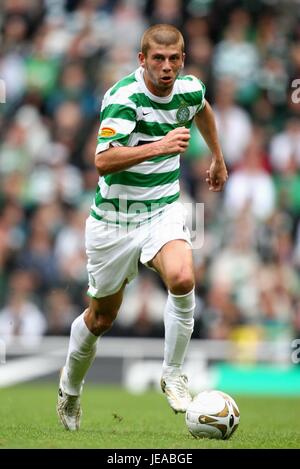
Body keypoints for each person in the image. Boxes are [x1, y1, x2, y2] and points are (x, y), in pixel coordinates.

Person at [56, 23, 228, 431]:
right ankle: (70, 389)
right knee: (101, 319)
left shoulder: (189, 88)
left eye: (173, 59)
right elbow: (102, 160)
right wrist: (161, 146)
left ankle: (172, 374)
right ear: (142, 60)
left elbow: (202, 108)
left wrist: (217, 158)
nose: (166, 67)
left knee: (184, 277)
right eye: (158, 59)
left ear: (182, 60)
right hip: (114, 221)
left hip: (162, 210)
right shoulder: (123, 98)